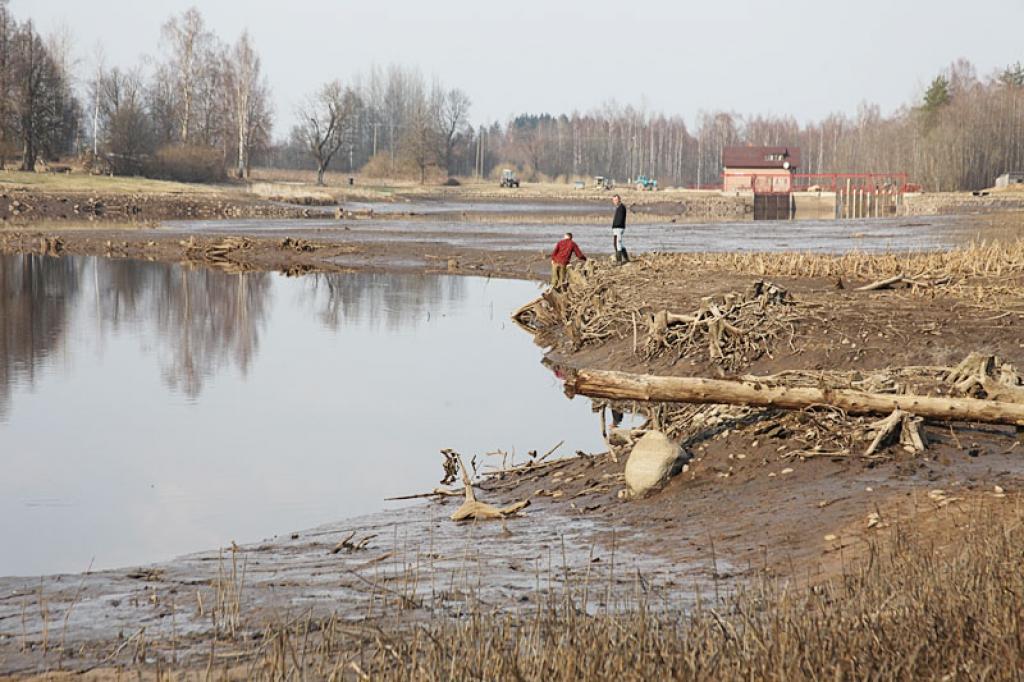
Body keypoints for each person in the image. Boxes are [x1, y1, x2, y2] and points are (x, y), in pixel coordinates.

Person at [611, 194, 629, 264]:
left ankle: (619, 261)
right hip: (616, 228)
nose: (614, 201)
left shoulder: (622, 207)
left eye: (616, 200)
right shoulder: (618, 207)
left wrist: (616, 226)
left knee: (618, 244)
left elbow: (620, 219)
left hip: (619, 228)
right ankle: (626, 258)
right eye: (613, 200)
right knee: (618, 244)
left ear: (619, 200)